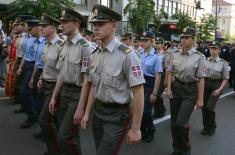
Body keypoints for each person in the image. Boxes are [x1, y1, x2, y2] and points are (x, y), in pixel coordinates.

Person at [80, 4, 145, 155]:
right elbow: (94, 85)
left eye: (101, 24)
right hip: (98, 112)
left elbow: (138, 91)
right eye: (94, 24)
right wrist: (87, 112)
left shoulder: (128, 55)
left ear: (113, 25)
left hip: (117, 116)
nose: (96, 28)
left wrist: (135, 128)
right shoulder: (95, 54)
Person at [48, 8, 94, 155]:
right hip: (65, 92)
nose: (62, 24)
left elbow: (88, 80)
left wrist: (81, 108)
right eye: (61, 21)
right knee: (70, 136)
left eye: (65, 21)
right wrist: (54, 97)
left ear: (76, 24)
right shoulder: (64, 45)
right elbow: (61, 74)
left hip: (77, 94)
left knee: (64, 137)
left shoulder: (86, 47)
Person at [167, 27, 206, 155]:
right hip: (176, 87)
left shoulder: (199, 57)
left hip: (190, 91)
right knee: (173, 123)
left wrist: (200, 99)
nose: (183, 40)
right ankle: (176, 149)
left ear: (193, 39)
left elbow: (201, 79)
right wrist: (168, 88)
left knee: (180, 123)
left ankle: (185, 148)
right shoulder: (175, 54)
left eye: (186, 37)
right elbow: (170, 72)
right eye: (182, 37)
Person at [37, 13, 65, 155]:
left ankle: (56, 150)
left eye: (44, 26)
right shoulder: (46, 44)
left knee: (44, 119)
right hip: (46, 83)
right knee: (52, 119)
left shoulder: (61, 45)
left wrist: (55, 94)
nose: (40, 28)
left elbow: (62, 72)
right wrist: (41, 77)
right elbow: (46, 65)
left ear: (53, 27)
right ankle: (55, 149)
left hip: (56, 86)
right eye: (40, 26)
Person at [18, 19, 45, 129]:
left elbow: (41, 60)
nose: (28, 30)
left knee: (26, 92)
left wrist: (36, 75)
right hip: (31, 67)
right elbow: (25, 54)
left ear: (38, 28)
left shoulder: (42, 41)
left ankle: (33, 116)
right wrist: (21, 67)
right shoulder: (30, 39)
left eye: (30, 28)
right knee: (29, 93)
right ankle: (33, 115)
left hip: (38, 68)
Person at [201, 41, 229, 135]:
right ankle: (206, 126)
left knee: (209, 107)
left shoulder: (223, 63)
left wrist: (219, 89)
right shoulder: (205, 61)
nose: (212, 51)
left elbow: (225, 79)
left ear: (219, 50)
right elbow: (202, 75)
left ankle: (212, 125)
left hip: (216, 85)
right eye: (211, 48)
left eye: (215, 49)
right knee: (204, 107)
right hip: (205, 83)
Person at [139, 32, 162, 142]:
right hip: (140, 82)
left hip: (150, 83)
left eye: (145, 40)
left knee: (146, 111)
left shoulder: (156, 57)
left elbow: (158, 76)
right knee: (138, 109)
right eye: (142, 40)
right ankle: (143, 132)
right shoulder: (140, 53)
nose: (142, 42)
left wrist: (154, 93)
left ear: (152, 41)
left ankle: (151, 130)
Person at [153, 37, 166, 119]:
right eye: (156, 43)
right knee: (154, 94)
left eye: (159, 43)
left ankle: (161, 110)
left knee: (157, 94)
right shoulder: (152, 53)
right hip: (153, 76)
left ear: (162, 45)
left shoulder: (165, 55)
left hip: (161, 76)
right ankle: (158, 110)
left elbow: (167, 68)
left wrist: (165, 80)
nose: (157, 45)